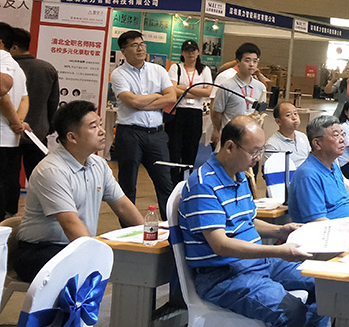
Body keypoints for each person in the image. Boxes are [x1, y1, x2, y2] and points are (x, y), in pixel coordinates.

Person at [178, 116, 326, 327]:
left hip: (256, 263)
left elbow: (248, 221)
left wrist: (280, 231)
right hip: (223, 276)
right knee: (291, 311)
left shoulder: (239, 176)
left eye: (260, 151)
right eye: (254, 152)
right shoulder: (203, 184)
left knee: (324, 286)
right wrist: (278, 251)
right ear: (230, 147)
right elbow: (220, 244)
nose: (258, 158)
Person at [13, 100, 144, 282]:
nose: (102, 131)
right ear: (72, 137)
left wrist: (149, 236)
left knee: (124, 259)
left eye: (100, 124)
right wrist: (95, 255)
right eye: (93, 127)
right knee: (91, 265)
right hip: (39, 251)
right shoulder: (52, 170)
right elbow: (70, 224)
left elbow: (122, 206)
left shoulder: (98, 164)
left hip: (73, 246)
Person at [108, 30, 175, 219]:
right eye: (134, 45)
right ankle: (129, 227)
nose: (140, 48)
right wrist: (156, 96)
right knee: (128, 184)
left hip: (156, 135)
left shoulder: (158, 70)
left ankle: (171, 226)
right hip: (130, 134)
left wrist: (142, 102)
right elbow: (132, 102)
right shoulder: (119, 74)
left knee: (165, 183)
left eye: (142, 44)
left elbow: (171, 97)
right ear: (123, 51)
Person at [286, 115, 349, 246]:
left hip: (347, 234)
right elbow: (317, 222)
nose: (342, 139)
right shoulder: (308, 175)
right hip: (324, 240)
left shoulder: (334, 167)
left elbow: (346, 203)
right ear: (317, 143)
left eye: (342, 134)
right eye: (336, 135)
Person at [8, 28, 59, 180]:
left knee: (7, 179)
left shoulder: (7, 69)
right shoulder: (47, 69)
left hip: (8, 134)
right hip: (38, 133)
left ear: (14, 47)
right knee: (39, 179)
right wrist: (48, 126)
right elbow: (53, 102)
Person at [166, 40, 213, 183]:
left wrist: (184, 89)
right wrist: (196, 91)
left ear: (198, 52)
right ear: (182, 53)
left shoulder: (204, 70)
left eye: (193, 50)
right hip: (178, 113)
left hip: (195, 114)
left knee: (191, 150)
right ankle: (173, 182)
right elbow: (172, 89)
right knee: (174, 150)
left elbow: (208, 92)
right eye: (187, 50)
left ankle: (185, 181)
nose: (190, 53)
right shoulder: (176, 68)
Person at [0, 22, 30, 218]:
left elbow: (3, 94)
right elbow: (25, 98)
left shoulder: (3, 59)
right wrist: (18, 121)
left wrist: (14, 122)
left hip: (3, 136)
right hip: (11, 138)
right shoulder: (17, 66)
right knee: (9, 181)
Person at [211, 43, 266, 146]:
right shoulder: (226, 86)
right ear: (238, 62)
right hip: (231, 137)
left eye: (255, 61)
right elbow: (217, 112)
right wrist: (216, 130)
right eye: (247, 60)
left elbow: (261, 114)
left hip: (252, 138)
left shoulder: (260, 87)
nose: (251, 64)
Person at [264, 102, 311, 170]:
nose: (294, 118)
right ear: (278, 121)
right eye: (288, 115)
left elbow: (310, 159)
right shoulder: (272, 145)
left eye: (295, 114)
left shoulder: (302, 136)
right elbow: (274, 172)